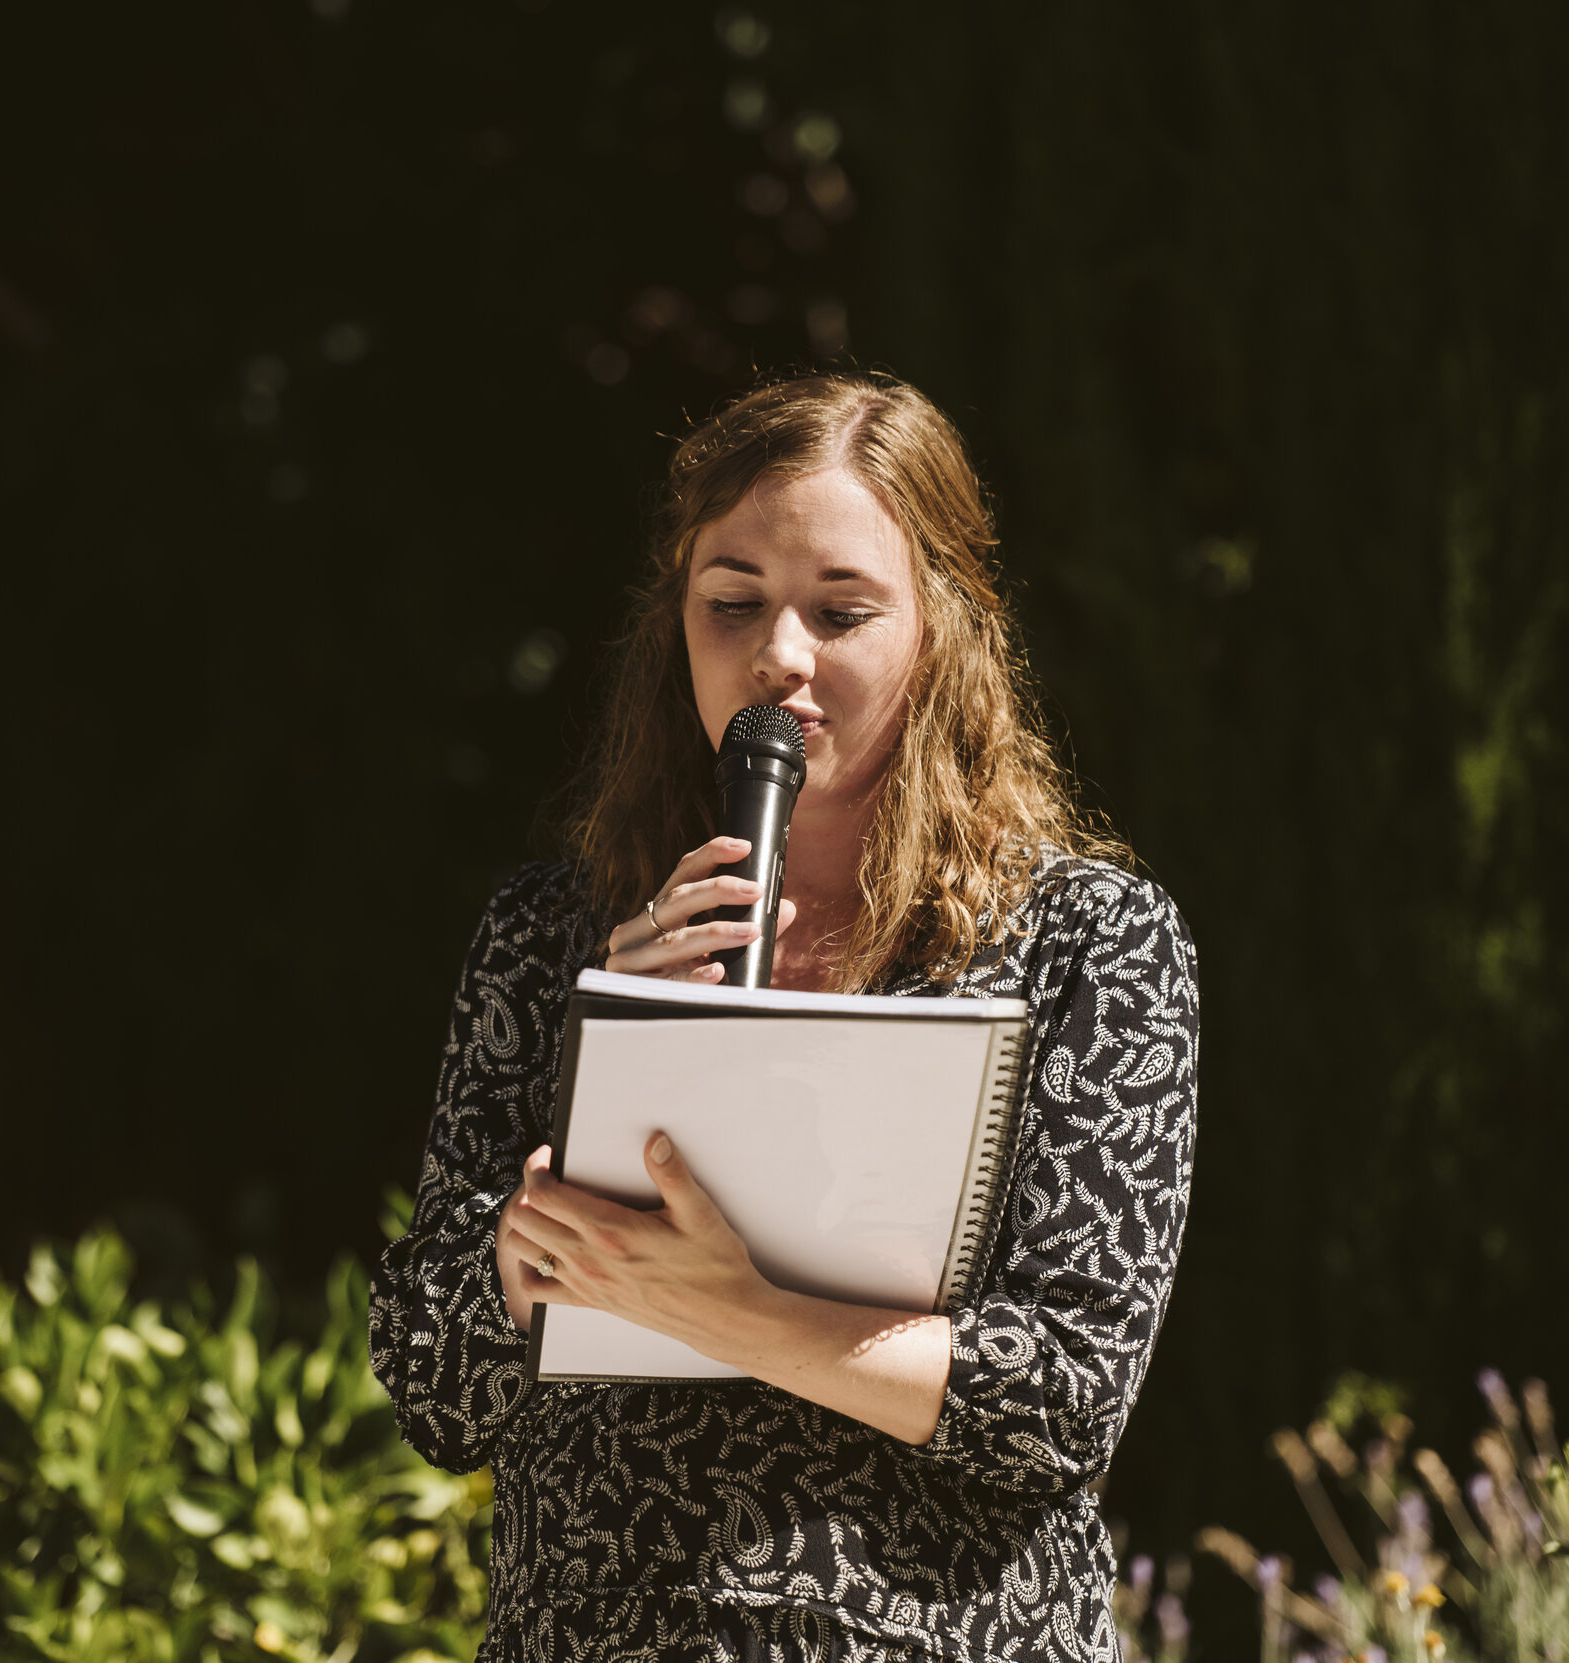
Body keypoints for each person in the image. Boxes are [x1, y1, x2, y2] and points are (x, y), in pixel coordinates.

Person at [369, 372, 1199, 1662]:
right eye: (733, 603)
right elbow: (431, 1380)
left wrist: (731, 1309)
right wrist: (612, 1071)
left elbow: (1065, 1400)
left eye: (843, 610)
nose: (779, 656)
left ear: (946, 630)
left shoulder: (1089, 943)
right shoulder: (554, 940)